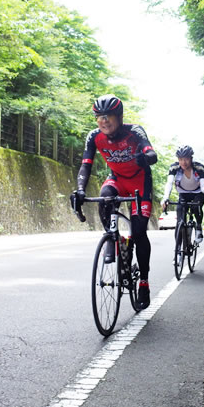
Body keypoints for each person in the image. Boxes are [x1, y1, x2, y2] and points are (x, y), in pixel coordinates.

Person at [72, 94, 158, 309]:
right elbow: (86, 165)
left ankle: (144, 283)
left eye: (109, 116)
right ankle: (114, 240)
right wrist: (81, 190)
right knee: (104, 199)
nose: (104, 121)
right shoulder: (94, 137)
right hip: (117, 178)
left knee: (138, 233)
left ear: (119, 117)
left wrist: (145, 157)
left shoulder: (134, 131)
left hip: (140, 182)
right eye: (99, 117)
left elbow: (151, 153)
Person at [160, 145, 204, 243]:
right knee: (179, 222)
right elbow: (169, 183)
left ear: (191, 158)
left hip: (198, 193)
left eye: (186, 159)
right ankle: (178, 252)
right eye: (181, 159)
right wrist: (165, 197)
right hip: (183, 193)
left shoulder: (199, 168)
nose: (183, 162)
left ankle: (199, 228)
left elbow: (203, 188)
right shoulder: (174, 167)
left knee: (196, 208)